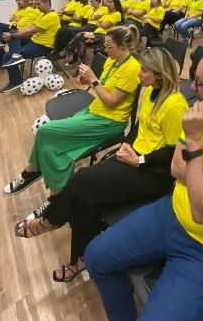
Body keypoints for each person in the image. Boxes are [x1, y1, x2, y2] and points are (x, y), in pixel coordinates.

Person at [84, 51, 203, 321]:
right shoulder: (198, 111)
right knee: (96, 257)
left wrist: (195, 145)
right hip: (171, 213)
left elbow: (202, 211)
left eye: (199, 82)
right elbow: (176, 168)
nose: (192, 87)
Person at [14, 47, 188, 283]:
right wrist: (126, 146)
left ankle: (51, 220)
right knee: (85, 199)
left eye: (144, 71)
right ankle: (80, 260)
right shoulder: (149, 93)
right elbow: (138, 129)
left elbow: (172, 152)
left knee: (81, 180)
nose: (139, 75)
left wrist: (140, 160)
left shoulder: (175, 105)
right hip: (135, 157)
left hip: (154, 172)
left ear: (159, 74)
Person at [3, 25, 141, 212]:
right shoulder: (112, 61)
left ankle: (37, 179)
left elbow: (110, 101)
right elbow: (102, 87)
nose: (105, 50)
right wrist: (88, 81)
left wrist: (93, 80)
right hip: (95, 111)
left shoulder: (132, 69)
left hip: (110, 122)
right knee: (53, 144)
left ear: (123, 46)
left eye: (109, 47)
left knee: (46, 133)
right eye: (106, 46)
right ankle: (48, 190)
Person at [0, 0, 61, 93]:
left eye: (39, 4)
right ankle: (16, 57)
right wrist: (14, 33)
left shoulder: (52, 16)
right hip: (33, 42)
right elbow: (29, 27)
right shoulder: (43, 14)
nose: (36, 6)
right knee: (12, 38)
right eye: (36, 4)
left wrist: (12, 35)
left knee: (8, 55)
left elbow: (31, 31)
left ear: (47, 3)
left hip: (42, 47)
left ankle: (15, 81)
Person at [0, 0, 39, 71]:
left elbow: (28, 24)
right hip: (13, 27)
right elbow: (12, 19)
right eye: (16, 1)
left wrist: (17, 20)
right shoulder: (20, 9)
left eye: (32, 0)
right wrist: (16, 19)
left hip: (21, 31)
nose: (17, 2)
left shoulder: (37, 10)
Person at [66, 0, 123, 65]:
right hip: (97, 33)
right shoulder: (107, 13)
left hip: (105, 35)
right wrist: (100, 23)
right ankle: (82, 63)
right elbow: (97, 23)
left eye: (110, 2)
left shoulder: (117, 14)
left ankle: (68, 49)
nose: (108, 4)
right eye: (108, 2)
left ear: (116, 4)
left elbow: (105, 26)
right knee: (81, 42)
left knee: (80, 35)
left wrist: (100, 23)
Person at [64, 0, 109, 66]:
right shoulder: (90, 10)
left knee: (73, 31)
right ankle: (75, 57)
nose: (91, 3)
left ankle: (68, 50)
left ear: (98, 1)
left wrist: (94, 19)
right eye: (90, 1)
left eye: (93, 1)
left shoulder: (104, 9)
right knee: (72, 33)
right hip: (87, 25)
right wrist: (92, 18)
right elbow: (84, 20)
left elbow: (102, 21)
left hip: (94, 27)